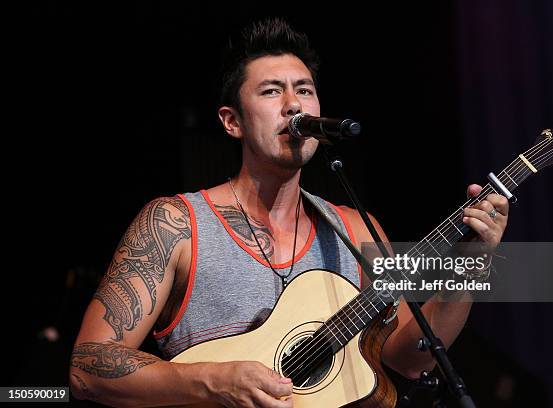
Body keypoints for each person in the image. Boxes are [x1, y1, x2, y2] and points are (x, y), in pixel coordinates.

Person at [69, 18, 509, 407]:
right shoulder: (176, 224)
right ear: (232, 121)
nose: (293, 105)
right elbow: (87, 367)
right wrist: (211, 380)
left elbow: (409, 357)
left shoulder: (355, 229)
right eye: (271, 91)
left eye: (304, 90)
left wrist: (472, 261)